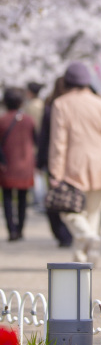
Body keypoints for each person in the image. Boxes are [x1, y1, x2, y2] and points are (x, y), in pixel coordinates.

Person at [48, 61, 101, 263]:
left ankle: (87, 238)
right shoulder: (100, 103)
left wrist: (55, 172)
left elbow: (59, 141)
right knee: (93, 211)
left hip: (74, 162)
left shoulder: (61, 104)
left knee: (69, 211)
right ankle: (84, 254)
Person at [36, 76, 73, 247]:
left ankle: (62, 233)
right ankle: (69, 232)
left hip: (53, 160)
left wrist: (40, 161)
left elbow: (43, 137)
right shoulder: (59, 108)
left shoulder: (51, 107)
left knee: (55, 198)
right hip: (71, 159)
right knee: (70, 197)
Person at [0, 87, 36, 241]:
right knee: (22, 198)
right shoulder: (28, 120)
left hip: (7, 164)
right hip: (25, 163)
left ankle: (12, 230)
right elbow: (36, 139)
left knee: (7, 198)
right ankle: (20, 229)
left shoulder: (2, 120)